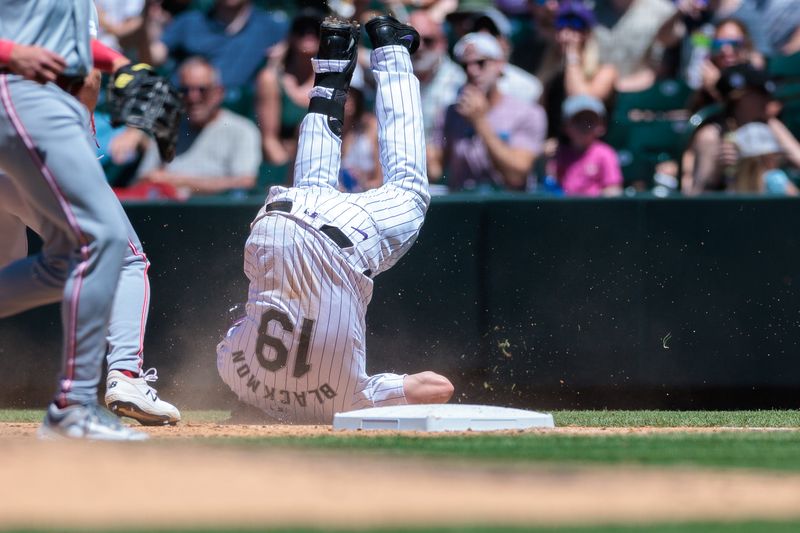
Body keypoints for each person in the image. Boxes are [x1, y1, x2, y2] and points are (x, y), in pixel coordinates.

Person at [217, 15, 454, 424]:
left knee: (411, 193)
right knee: (311, 187)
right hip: (274, 223)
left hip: (337, 246)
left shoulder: (348, 401)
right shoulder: (232, 371)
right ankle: (333, 57)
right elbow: (237, 326)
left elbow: (438, 387)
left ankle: (392, 49)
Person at [0, 0, 151, 440]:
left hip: (25, 118)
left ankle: (77, 403)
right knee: (115, 251)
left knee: (68, 261)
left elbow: (76, 55)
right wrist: (11, 54)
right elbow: (83, 79)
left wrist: (121, 62)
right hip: (26, 116)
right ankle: (110, 385)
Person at [430, 32, 546, 191]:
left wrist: (480, 123)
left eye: (481, 63)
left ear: (500, 64)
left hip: (508, 208)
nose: (472, 71)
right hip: (464, 207)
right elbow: (434, 170)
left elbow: (517, 175)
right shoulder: (451, 113)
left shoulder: (528, 113)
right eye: (465, 66)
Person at [134, 57, 262, 198]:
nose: (193, 97)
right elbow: (144, 179)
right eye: (185, 90)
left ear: (218, 93)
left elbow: (245, 182)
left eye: (202, 90)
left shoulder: (242, 131)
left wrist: (179, 181)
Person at [256, 8, 324, 167]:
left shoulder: (332, 80)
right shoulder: (271, 79)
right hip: (284, 167)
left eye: (315, 29)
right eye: (301, 29)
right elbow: (269, 140)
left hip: (324, 165)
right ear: (290, 36)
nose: (308, 34)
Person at [407, 8, 466, 178]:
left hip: (446, 178)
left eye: (428, 40)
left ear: (443, 43)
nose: (420, 48)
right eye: (413, 41)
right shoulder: (394, 77)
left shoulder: (459, 82)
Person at [547, 94, 623, 196]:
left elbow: (614, 189)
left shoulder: (605, 153)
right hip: (565, 208)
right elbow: (550, 184)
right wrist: (545, 158)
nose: (584, 126)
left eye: (590, 121)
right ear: (565, 126)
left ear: (601, 126)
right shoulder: (559, 153)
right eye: (578, 121)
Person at [732, 122, 798, 195]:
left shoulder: (732, 179)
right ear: (767, 157)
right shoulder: (775, 178)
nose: (778, 159)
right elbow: (794, 198)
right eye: (776, 155)